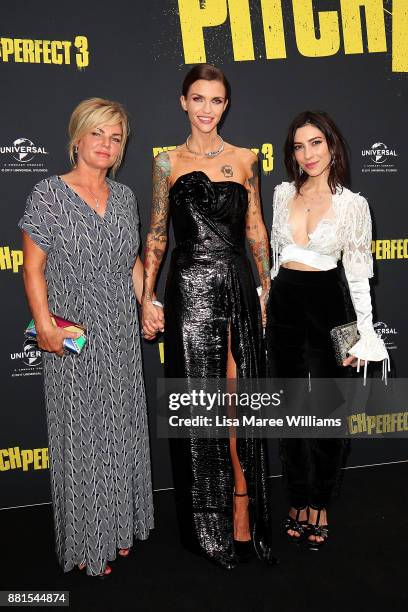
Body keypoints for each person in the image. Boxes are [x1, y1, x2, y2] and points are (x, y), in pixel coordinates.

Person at [141, 64, 277, 569]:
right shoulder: (164, 163)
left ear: (226, 105)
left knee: (239, 401)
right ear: (183, 102)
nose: (205, 109)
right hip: (188, 287)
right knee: (204, 402)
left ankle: (243, 508)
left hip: (238, 282)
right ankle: (208, 521)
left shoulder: (247, 159)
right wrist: (148, 295)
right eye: (197, 98)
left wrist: (265, 287)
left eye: (215, 100)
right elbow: (158, 231)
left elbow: (256, 226)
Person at [19, 98, 154, 576]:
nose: (107, 145)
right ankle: (84, 542)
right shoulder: (48, 194)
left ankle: (118, 528)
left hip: (119, 334)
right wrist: (46, 327)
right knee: (81, 438)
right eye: (98, 134)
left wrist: (147, 303)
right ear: (77, 138)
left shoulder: (123, 199)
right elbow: (32, 268)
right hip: (71, 335)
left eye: (116, 138)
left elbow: (132, 264)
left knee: (120, 433)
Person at [265, 110, 388, 549]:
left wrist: (365, 335)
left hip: (329, 305)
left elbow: (357, 275)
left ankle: (319, 502)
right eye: (299, 146)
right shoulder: (281, 194)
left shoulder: (352, 205)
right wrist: (266, 298)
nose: (308, 154)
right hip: (284, 306)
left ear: (331, 145)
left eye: (315, 143)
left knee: (331, 411)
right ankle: (297, 496)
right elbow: (275, 259)